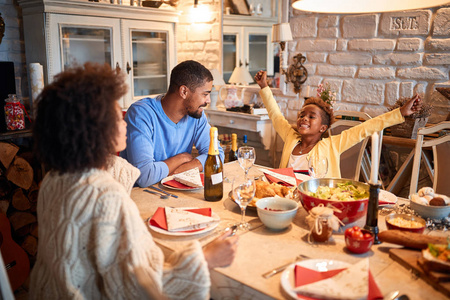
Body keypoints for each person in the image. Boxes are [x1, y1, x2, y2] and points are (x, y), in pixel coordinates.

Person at [30, 63, 238, 299]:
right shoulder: (107, 197)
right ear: (93, 131)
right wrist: (206, 259)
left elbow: (128, 172)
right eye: (115, 117)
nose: (124, 123)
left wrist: (166, 168)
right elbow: (140, 287)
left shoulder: (52, 180)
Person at [254, 70, 422, 178]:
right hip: (287, 200)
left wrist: (400, 113)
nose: (304, 118)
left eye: (312, 117)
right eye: (302, 115)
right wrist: (264, 87)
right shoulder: (291, 138)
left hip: (319, 201)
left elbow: (366, 128)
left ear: (323, 128)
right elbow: (276, 116)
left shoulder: (332, 145)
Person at [121, 60, 224, 187]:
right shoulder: (141, 114)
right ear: (184, 92)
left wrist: (181, 170)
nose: (208, 100)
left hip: (176, 192)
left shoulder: (196, 114)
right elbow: (144, 176)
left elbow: (217, 155)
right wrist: (180, 159)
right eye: (205, 94)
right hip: (141, 196)